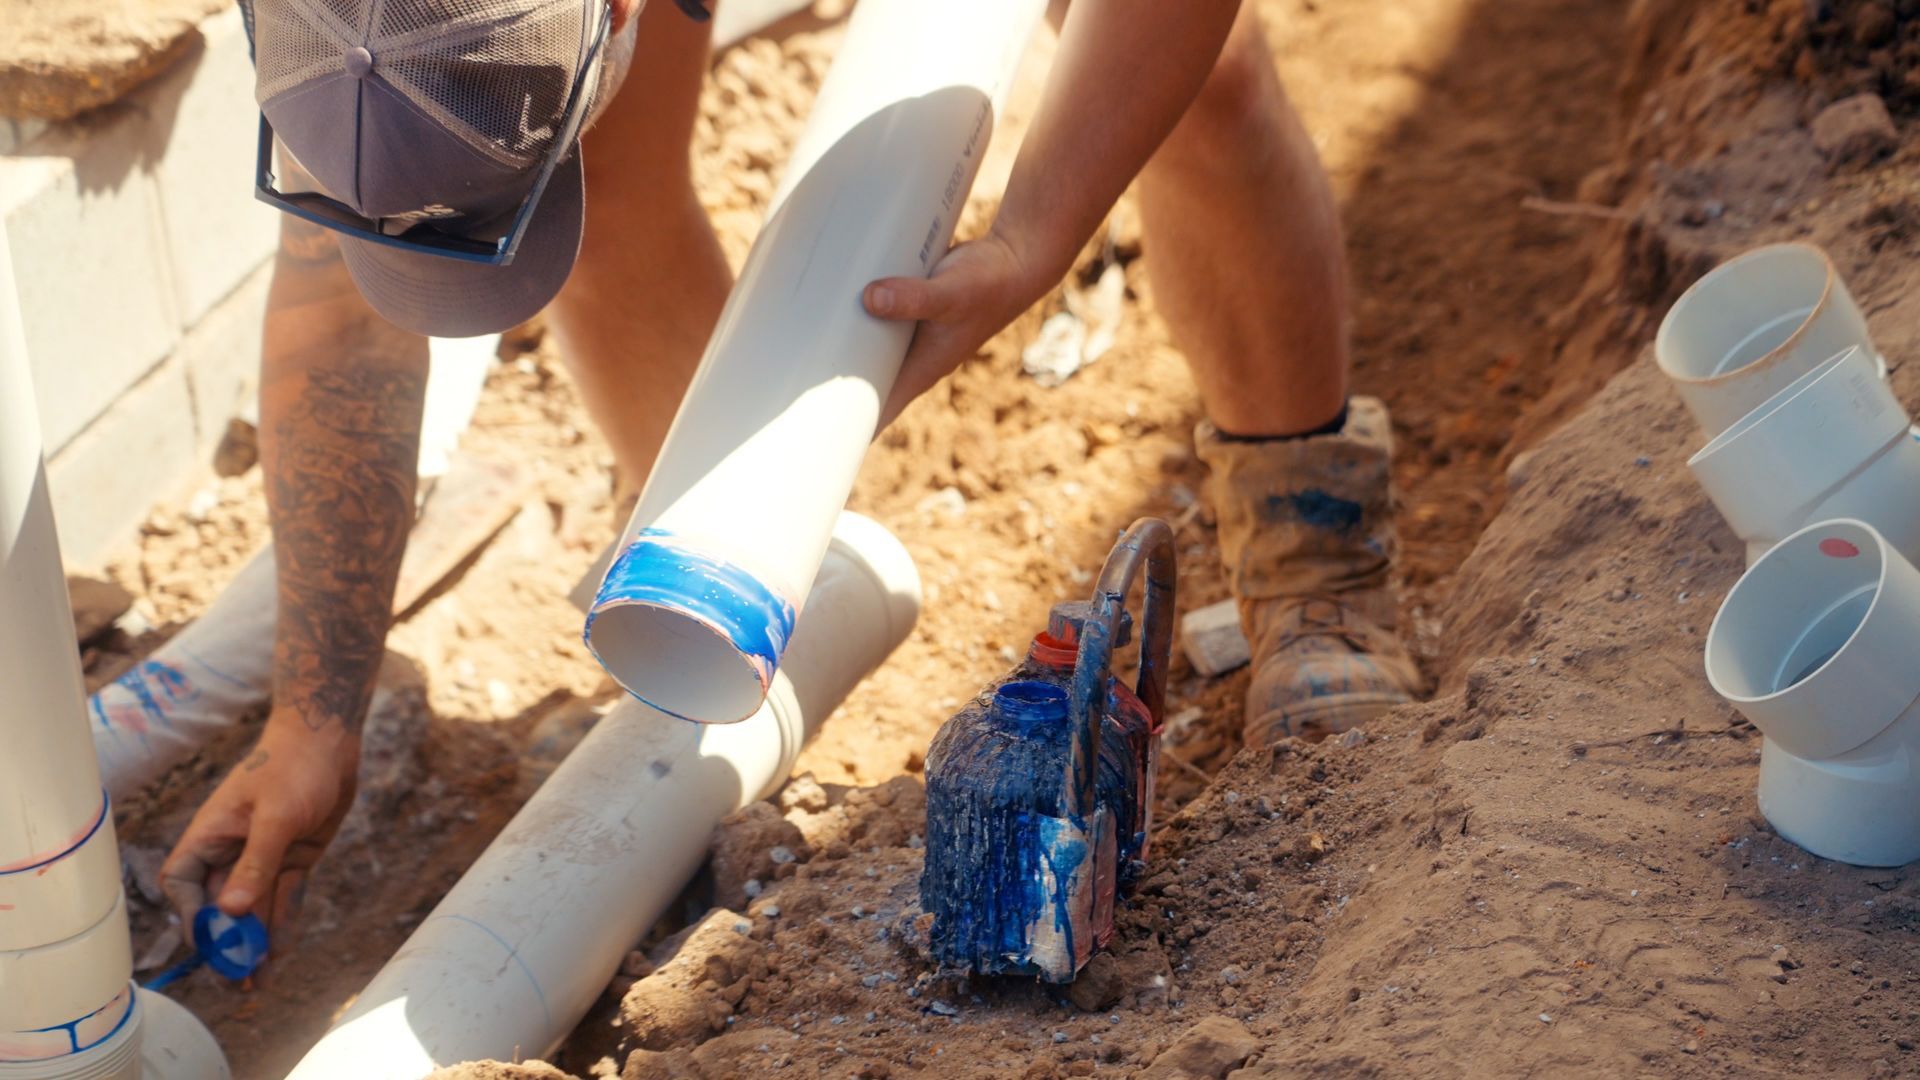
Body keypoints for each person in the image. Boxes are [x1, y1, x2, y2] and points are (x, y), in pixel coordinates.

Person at [160, 0, 1422, 947]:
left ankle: (1312, 537)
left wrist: (1037, 227)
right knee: (610, 190)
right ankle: (747, 585)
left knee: (1209, 79)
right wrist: (311, 720)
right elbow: (339, 307)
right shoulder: (359, 26)